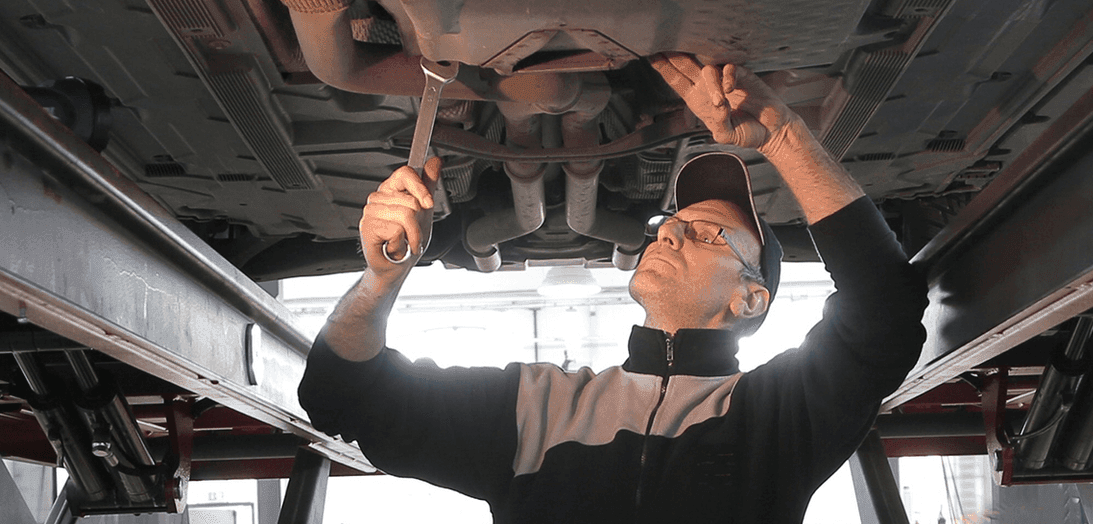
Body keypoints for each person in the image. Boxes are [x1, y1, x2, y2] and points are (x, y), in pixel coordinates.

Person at [297, 53, 928, 523]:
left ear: (750, 298)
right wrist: (382, 278)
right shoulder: (536, 409)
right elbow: (343, 397)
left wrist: (786, 137)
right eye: (671, 224)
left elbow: (885, 313)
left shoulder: (777, 416)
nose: (670, 235)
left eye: (706, 235)